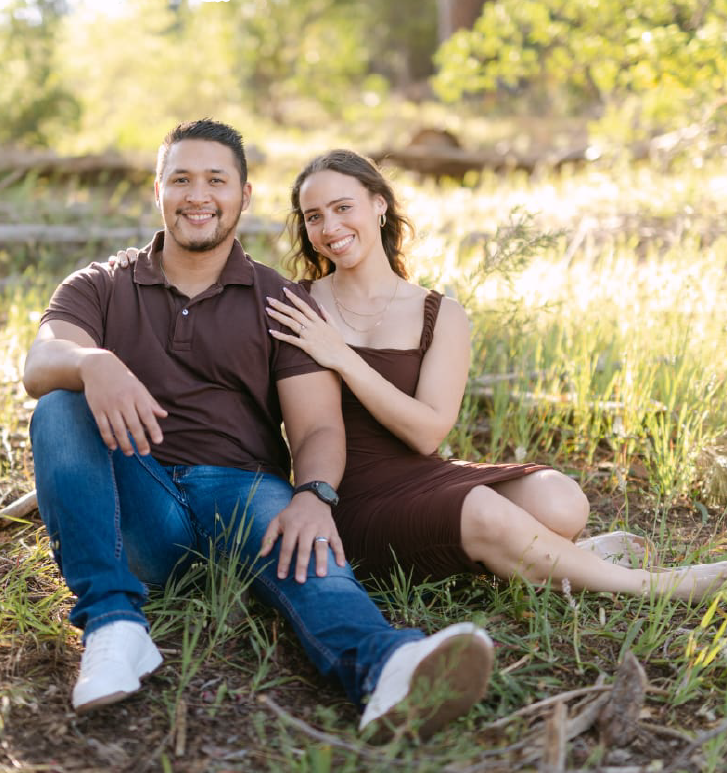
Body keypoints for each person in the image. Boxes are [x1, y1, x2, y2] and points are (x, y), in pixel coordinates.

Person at [22, 120, 495, 739]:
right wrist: (93, 362)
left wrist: (315, 495)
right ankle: (114, 628)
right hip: (141, 506)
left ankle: (389, 667)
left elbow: (319, 428)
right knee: (59, 406)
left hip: (243, 491)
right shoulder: (100, 285)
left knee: (307, 547)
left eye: (217, 180)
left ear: (243, 197)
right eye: (182, 179)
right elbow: (40, 362)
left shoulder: (278, 299)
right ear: (157, 191)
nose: (199, 195)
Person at [258, 148, 727, 602]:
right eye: (314, 216)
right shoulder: (301, 307)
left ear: (379, 204)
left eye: (343, 207)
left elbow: (426, 435)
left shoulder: (440, 313)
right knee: (480, 510)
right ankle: (655, 585)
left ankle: (559, 557)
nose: (329, 227)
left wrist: (343, 356)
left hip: (424, 475)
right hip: (351, 501)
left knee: (562, 501)